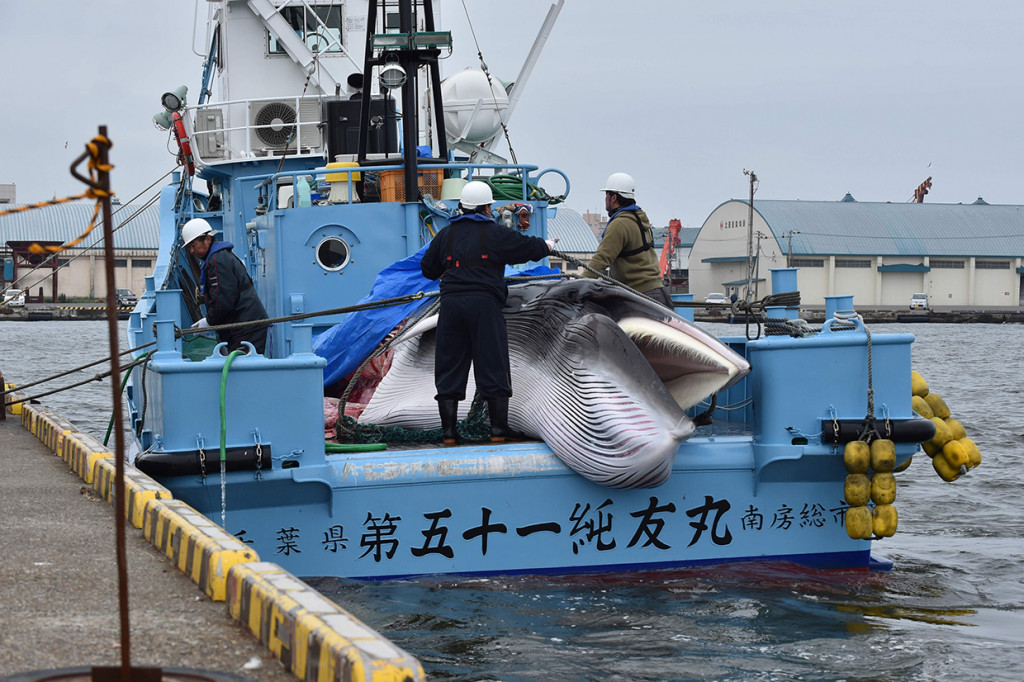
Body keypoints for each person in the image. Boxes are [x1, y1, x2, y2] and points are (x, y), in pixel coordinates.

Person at [420, 181, 552, 445]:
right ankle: (498, 431)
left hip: (451, 306)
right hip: (484, 306)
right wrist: (546, 246)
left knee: (449, 365)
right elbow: (527, 247)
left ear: (463, 206)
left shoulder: (446, 235)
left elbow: (428, 269)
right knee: (493, 364)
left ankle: (449, 434)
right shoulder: (495, 233)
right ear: (486, 208)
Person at [583, 172, 673, 309]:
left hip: (640, 295)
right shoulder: (638, 218)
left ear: (613, 197)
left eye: (606, 195)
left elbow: (601, 259)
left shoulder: (620, 224)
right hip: (658, 292)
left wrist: (577, 286)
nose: (605, 199)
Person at [181, 217, 270, 354]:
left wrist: (209, 321)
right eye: (189, 248)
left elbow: (223, 299)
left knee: (243, 365)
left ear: (207, 239)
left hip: (245, 328)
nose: (192, 251)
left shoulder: (217, 261)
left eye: (193, 246)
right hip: (245, 326)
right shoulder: (219, 257)